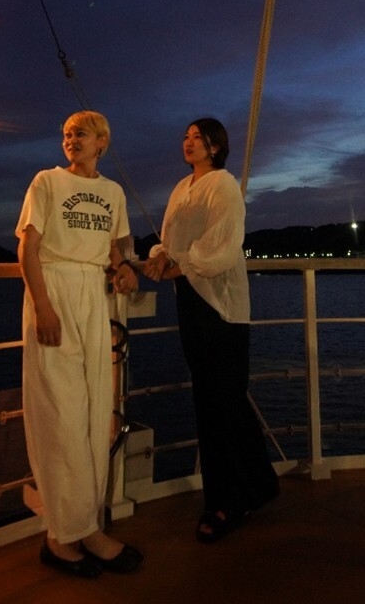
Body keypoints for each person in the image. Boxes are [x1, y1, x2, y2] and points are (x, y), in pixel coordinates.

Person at [16, 110, 143, 577]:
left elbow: (115, 247)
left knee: (93, 414)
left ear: (102, 142)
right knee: (60, 414)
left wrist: (123, 268)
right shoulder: (47, 182)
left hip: (92, 295)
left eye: (81, 133)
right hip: (54, 290)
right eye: (67, 133)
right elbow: (28, 248)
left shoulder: (112, 193)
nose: (72, 139)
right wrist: (42, 306)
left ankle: (85, 526)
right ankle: (60, 534)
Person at [143, 118, 278, 542]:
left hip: (222, 307)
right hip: (191, 302)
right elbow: (170, 240)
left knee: (224, 404)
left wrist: (178, 266)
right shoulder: (182, 188)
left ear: (215, 147)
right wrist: (160, 257)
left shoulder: (223, 186)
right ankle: (259, 484)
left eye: (197, 138)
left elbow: (222, 245)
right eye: (185, 136)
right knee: (213, 402)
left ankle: (228, 502)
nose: (188, 142)